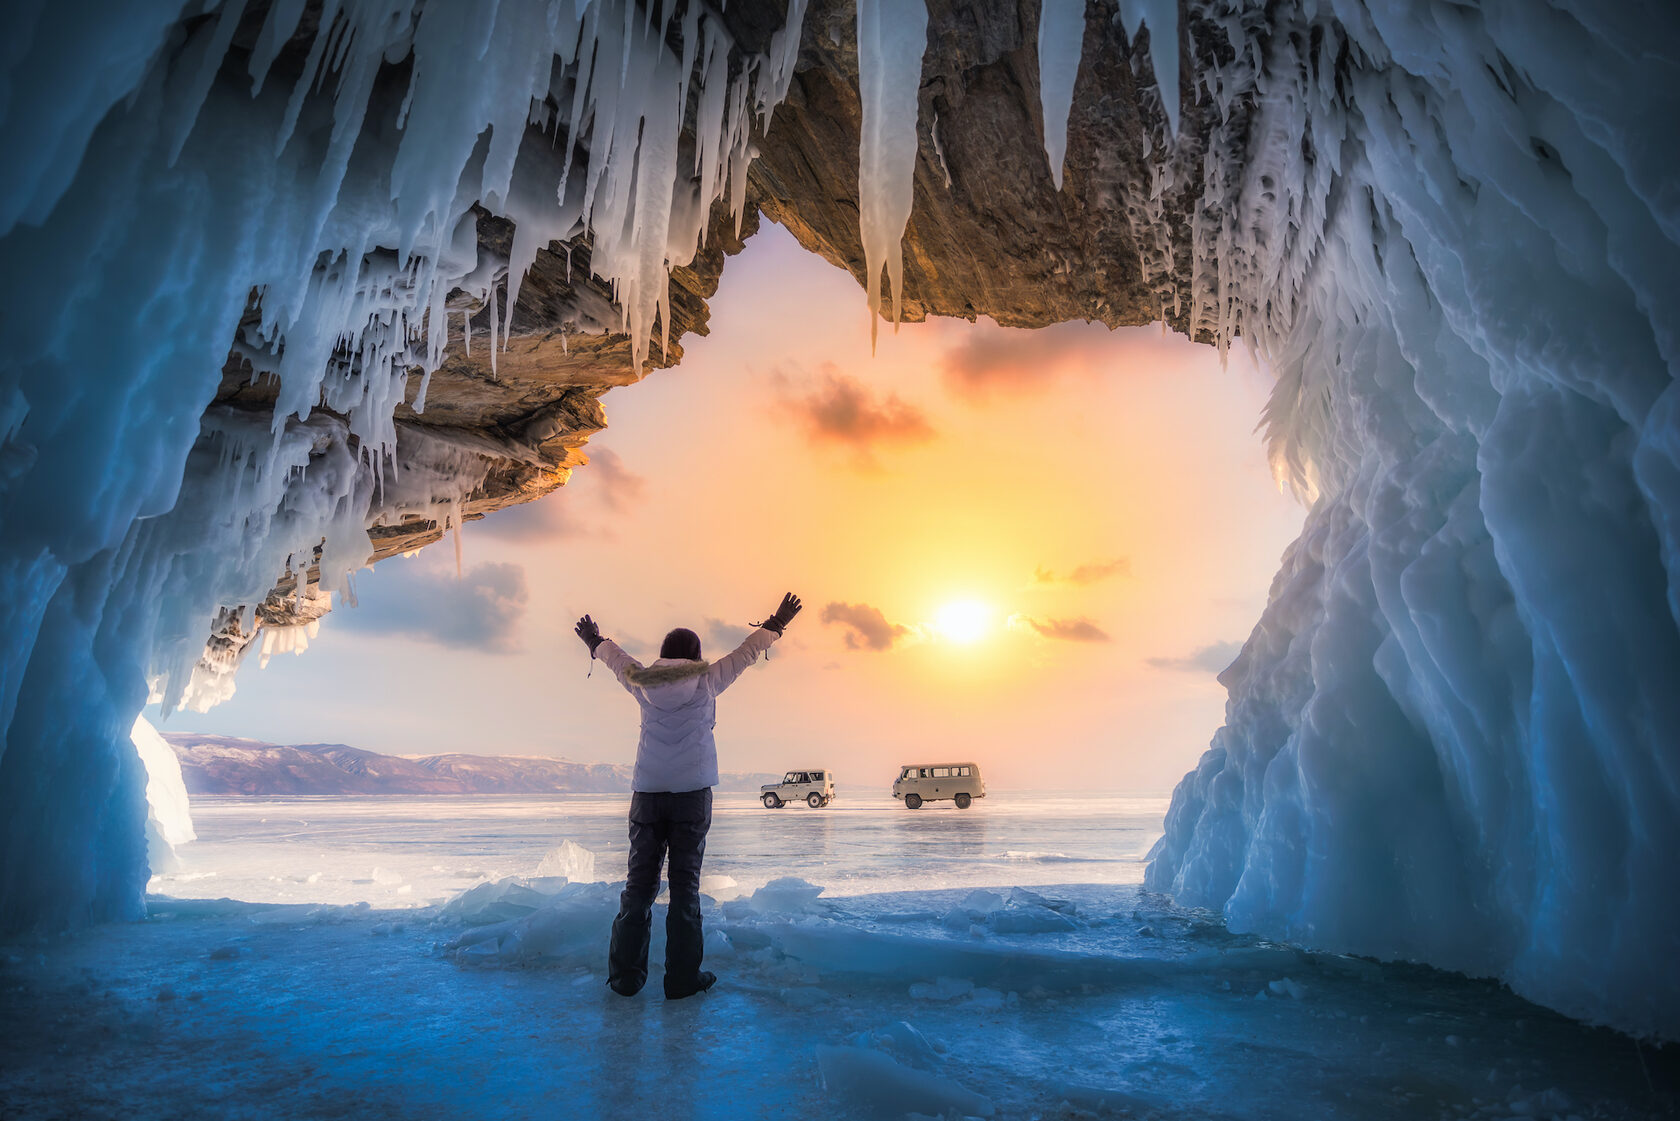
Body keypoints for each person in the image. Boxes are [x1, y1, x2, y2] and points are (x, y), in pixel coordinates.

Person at [574, 593, 803, 999]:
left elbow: (616, 659)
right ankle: (681, 979)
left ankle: (626, 978)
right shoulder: (707, 679)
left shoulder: (643, 680)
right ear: (696, 654)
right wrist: (776, 623)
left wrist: (594, 641)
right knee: (684, 888)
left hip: (647, 793)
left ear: (663, 655)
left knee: (638, 887)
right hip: (691, 795)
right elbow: (747, 652)